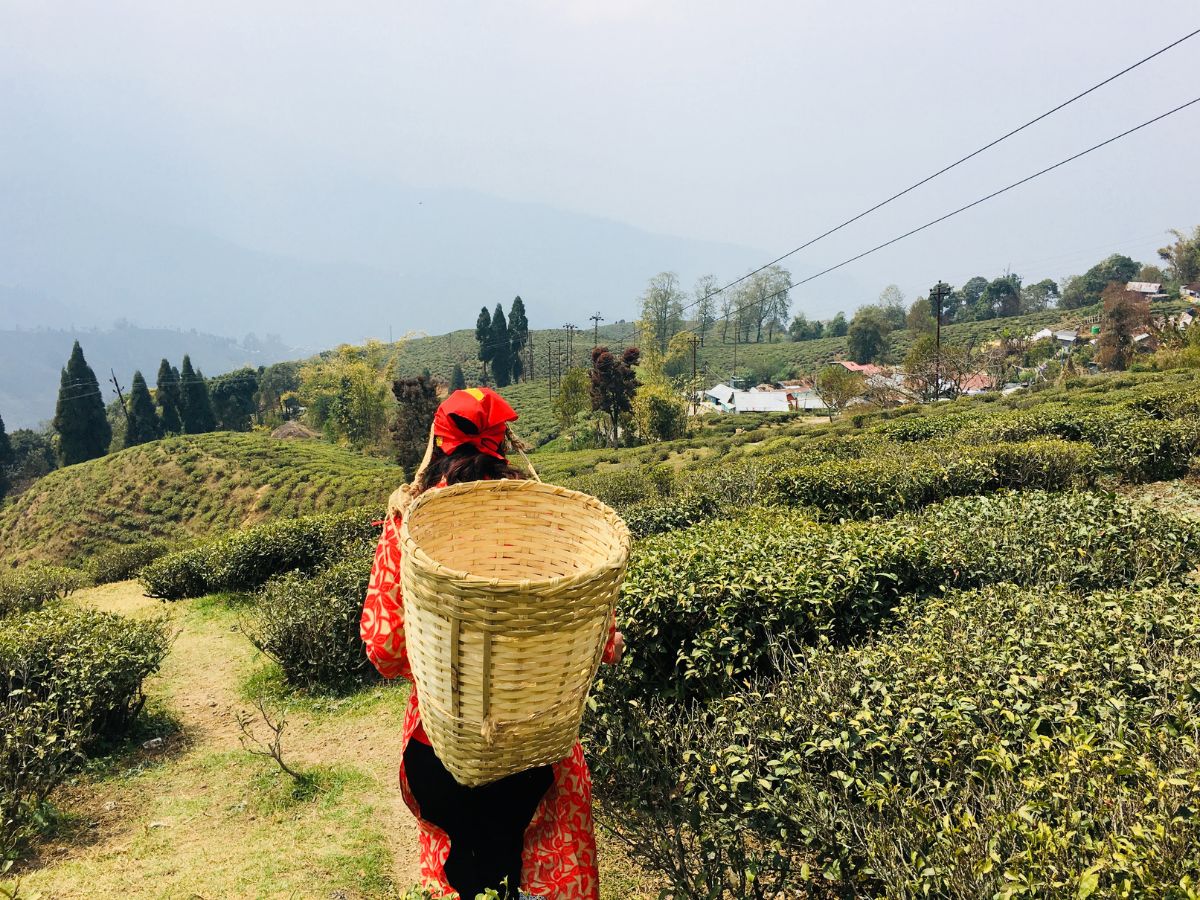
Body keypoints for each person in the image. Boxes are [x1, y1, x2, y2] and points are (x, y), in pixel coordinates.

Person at [360, 386, 624, 900]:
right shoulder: (546, 518)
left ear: (438, 442)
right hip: (538, 739)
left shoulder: (409, 525)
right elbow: (603, 640)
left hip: (443, 742)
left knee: (460, 873)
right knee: (546, 870)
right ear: (503, 443)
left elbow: (385, 648)